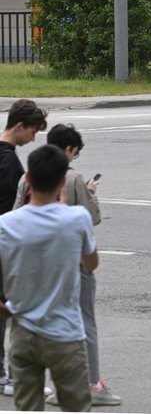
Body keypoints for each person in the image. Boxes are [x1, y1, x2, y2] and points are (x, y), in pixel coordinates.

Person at [14, 124, 121, 408]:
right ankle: (93, 382)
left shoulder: (27, 177)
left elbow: (15, 212)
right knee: (85, 320)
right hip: (73, 264)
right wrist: (91, 193)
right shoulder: (72, 178)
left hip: (34, 264)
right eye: (74, 153)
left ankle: (49, 384)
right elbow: (91, 217)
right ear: (70, 150)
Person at [0, 145, 98, 412]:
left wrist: (7, 311)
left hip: (24, 332)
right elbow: (91, 263)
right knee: (76, 406)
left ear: (28, 179)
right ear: (63, 181)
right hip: (65, 332)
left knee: (28, 406)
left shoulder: (5, 224)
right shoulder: (77, 218)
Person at [0, 99, 47, 393]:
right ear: (19, 126)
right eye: (31, 132)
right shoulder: (8, 163)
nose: (32, 139)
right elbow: (11, 209)